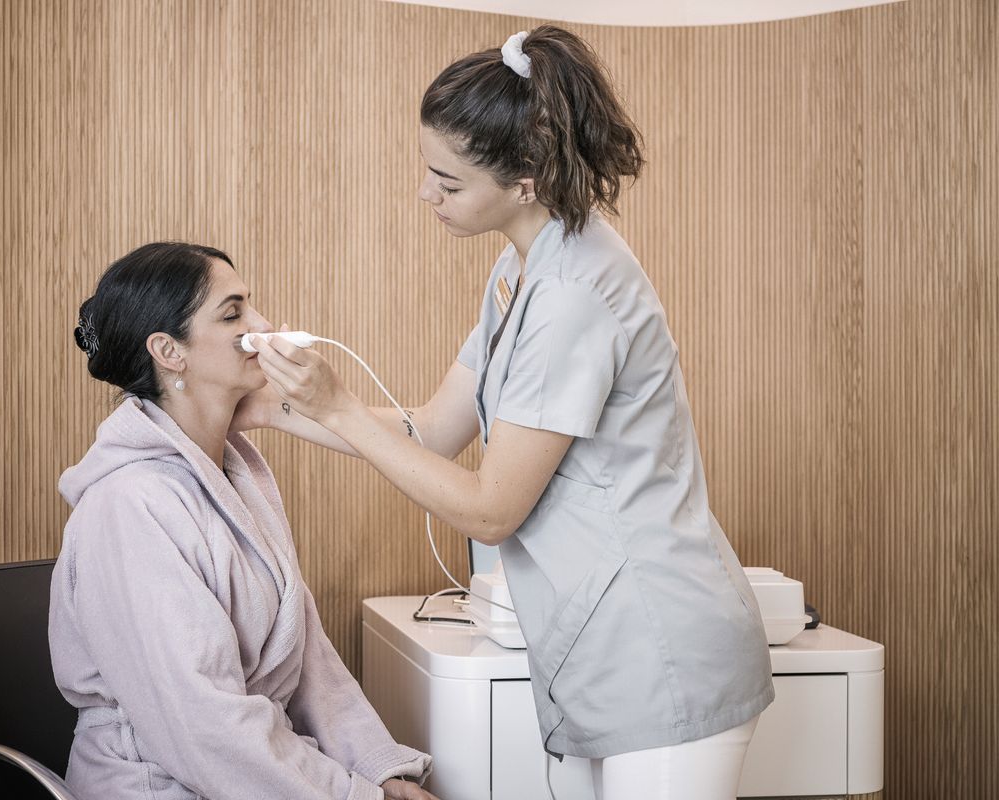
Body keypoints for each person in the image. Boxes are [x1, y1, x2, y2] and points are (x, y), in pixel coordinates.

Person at [240, 26, 775, 800]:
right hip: (604, 648)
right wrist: (276, 408)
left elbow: (491, 511)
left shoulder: (573, 294)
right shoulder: (522, 267)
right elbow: (433, 430)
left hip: (660, 644)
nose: (426, 195)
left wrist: (340, 407)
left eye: (448, 183)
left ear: (526, 180)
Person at [48, 242, 435, 800]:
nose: (263, 326)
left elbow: (308, 661)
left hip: (253, 772)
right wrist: (354, 794)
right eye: (233, 314)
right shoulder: (128, 508)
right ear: (169, 351)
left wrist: (380, 772)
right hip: (162, 784)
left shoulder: (236, 474)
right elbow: (202, 727)